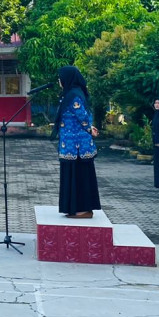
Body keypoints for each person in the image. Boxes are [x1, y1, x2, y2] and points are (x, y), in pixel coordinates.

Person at [54, 66, 101, 219]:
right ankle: (75, 208)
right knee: (73, 175)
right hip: (70, 144)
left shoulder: (73, 95)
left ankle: (83, 210)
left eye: (60, 77)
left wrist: (89, 128)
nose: (59, 80)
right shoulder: (71, 93)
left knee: (79, 176)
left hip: (77, 146)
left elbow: (82, 116)